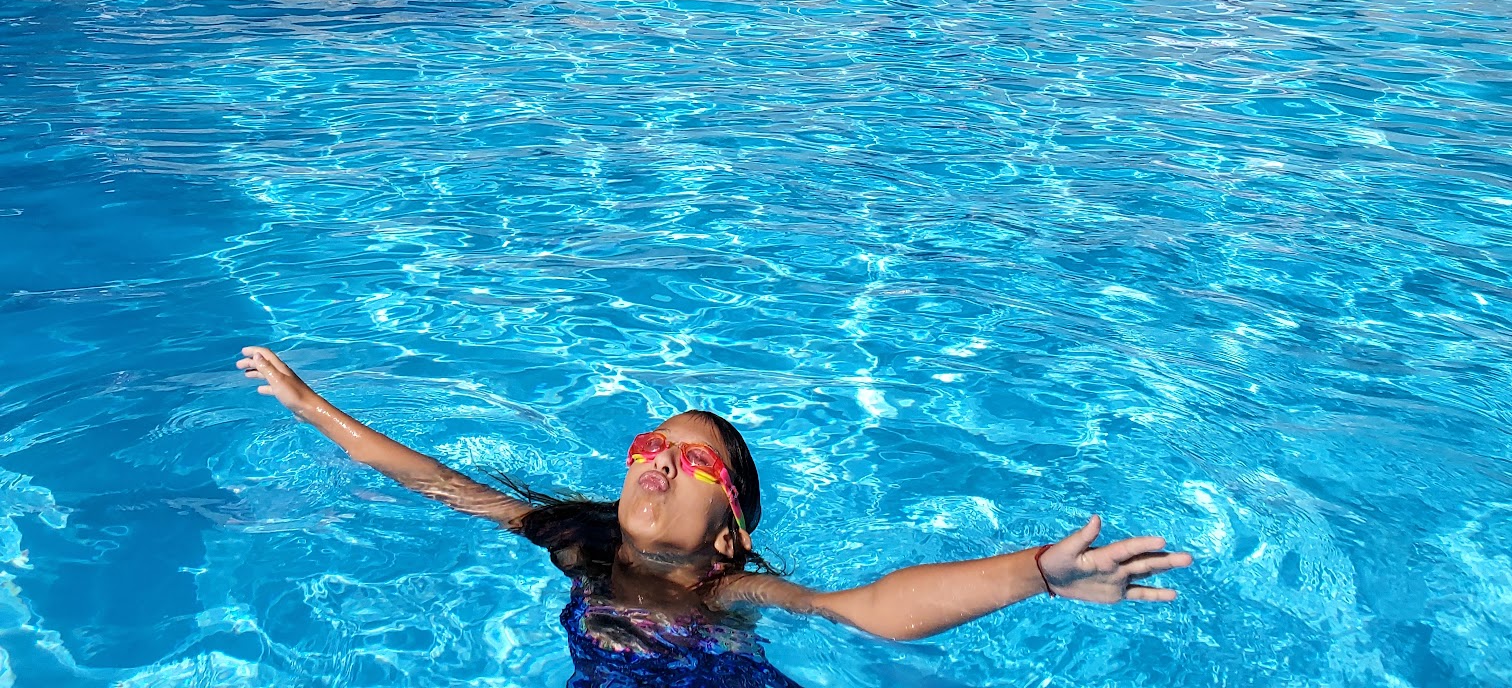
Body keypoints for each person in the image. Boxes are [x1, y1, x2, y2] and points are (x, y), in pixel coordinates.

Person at [235, 345, 1190, 683]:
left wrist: (1035, 573)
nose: (658, 461)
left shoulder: (725, 590)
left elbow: (866, 610)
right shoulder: (580, 544)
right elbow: (443, 483)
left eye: (691, 461)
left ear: (729, 532)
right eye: (648, 447)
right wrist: (315, 408)